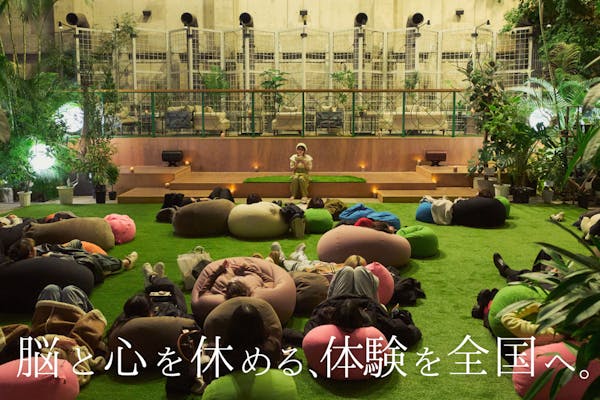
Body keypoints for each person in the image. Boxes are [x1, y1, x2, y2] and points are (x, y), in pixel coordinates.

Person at [7, 238, 138, 284]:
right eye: (33, 248)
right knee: (93, 259)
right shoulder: (42, 262)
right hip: (72, 265)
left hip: (63, 255)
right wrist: (53, 255)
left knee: (76, 242)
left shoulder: (24, 259)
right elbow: (68, 262)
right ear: (30, 253)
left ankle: (95, 259)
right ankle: (125, 263)